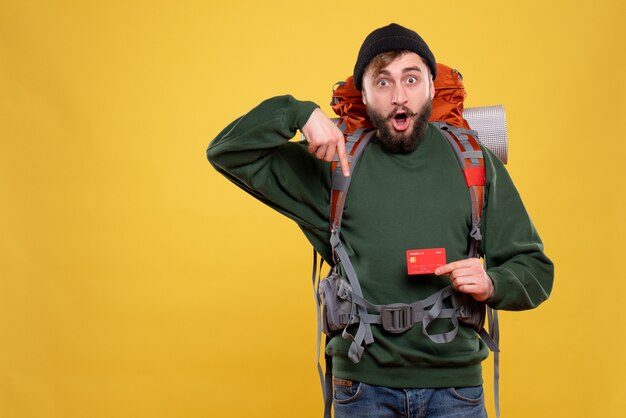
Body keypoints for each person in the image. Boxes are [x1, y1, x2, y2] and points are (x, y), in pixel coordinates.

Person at [207, 23, 553, 418]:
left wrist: (494, 283)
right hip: (362, 390)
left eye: (411, 78)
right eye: (383, 82)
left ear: (431, 86)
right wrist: (297, 113)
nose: (400, 96)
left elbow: (536, 270)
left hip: (455, 390)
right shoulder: (335, 163)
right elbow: (226, 152)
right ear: (364, 93)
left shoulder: (474, 162)